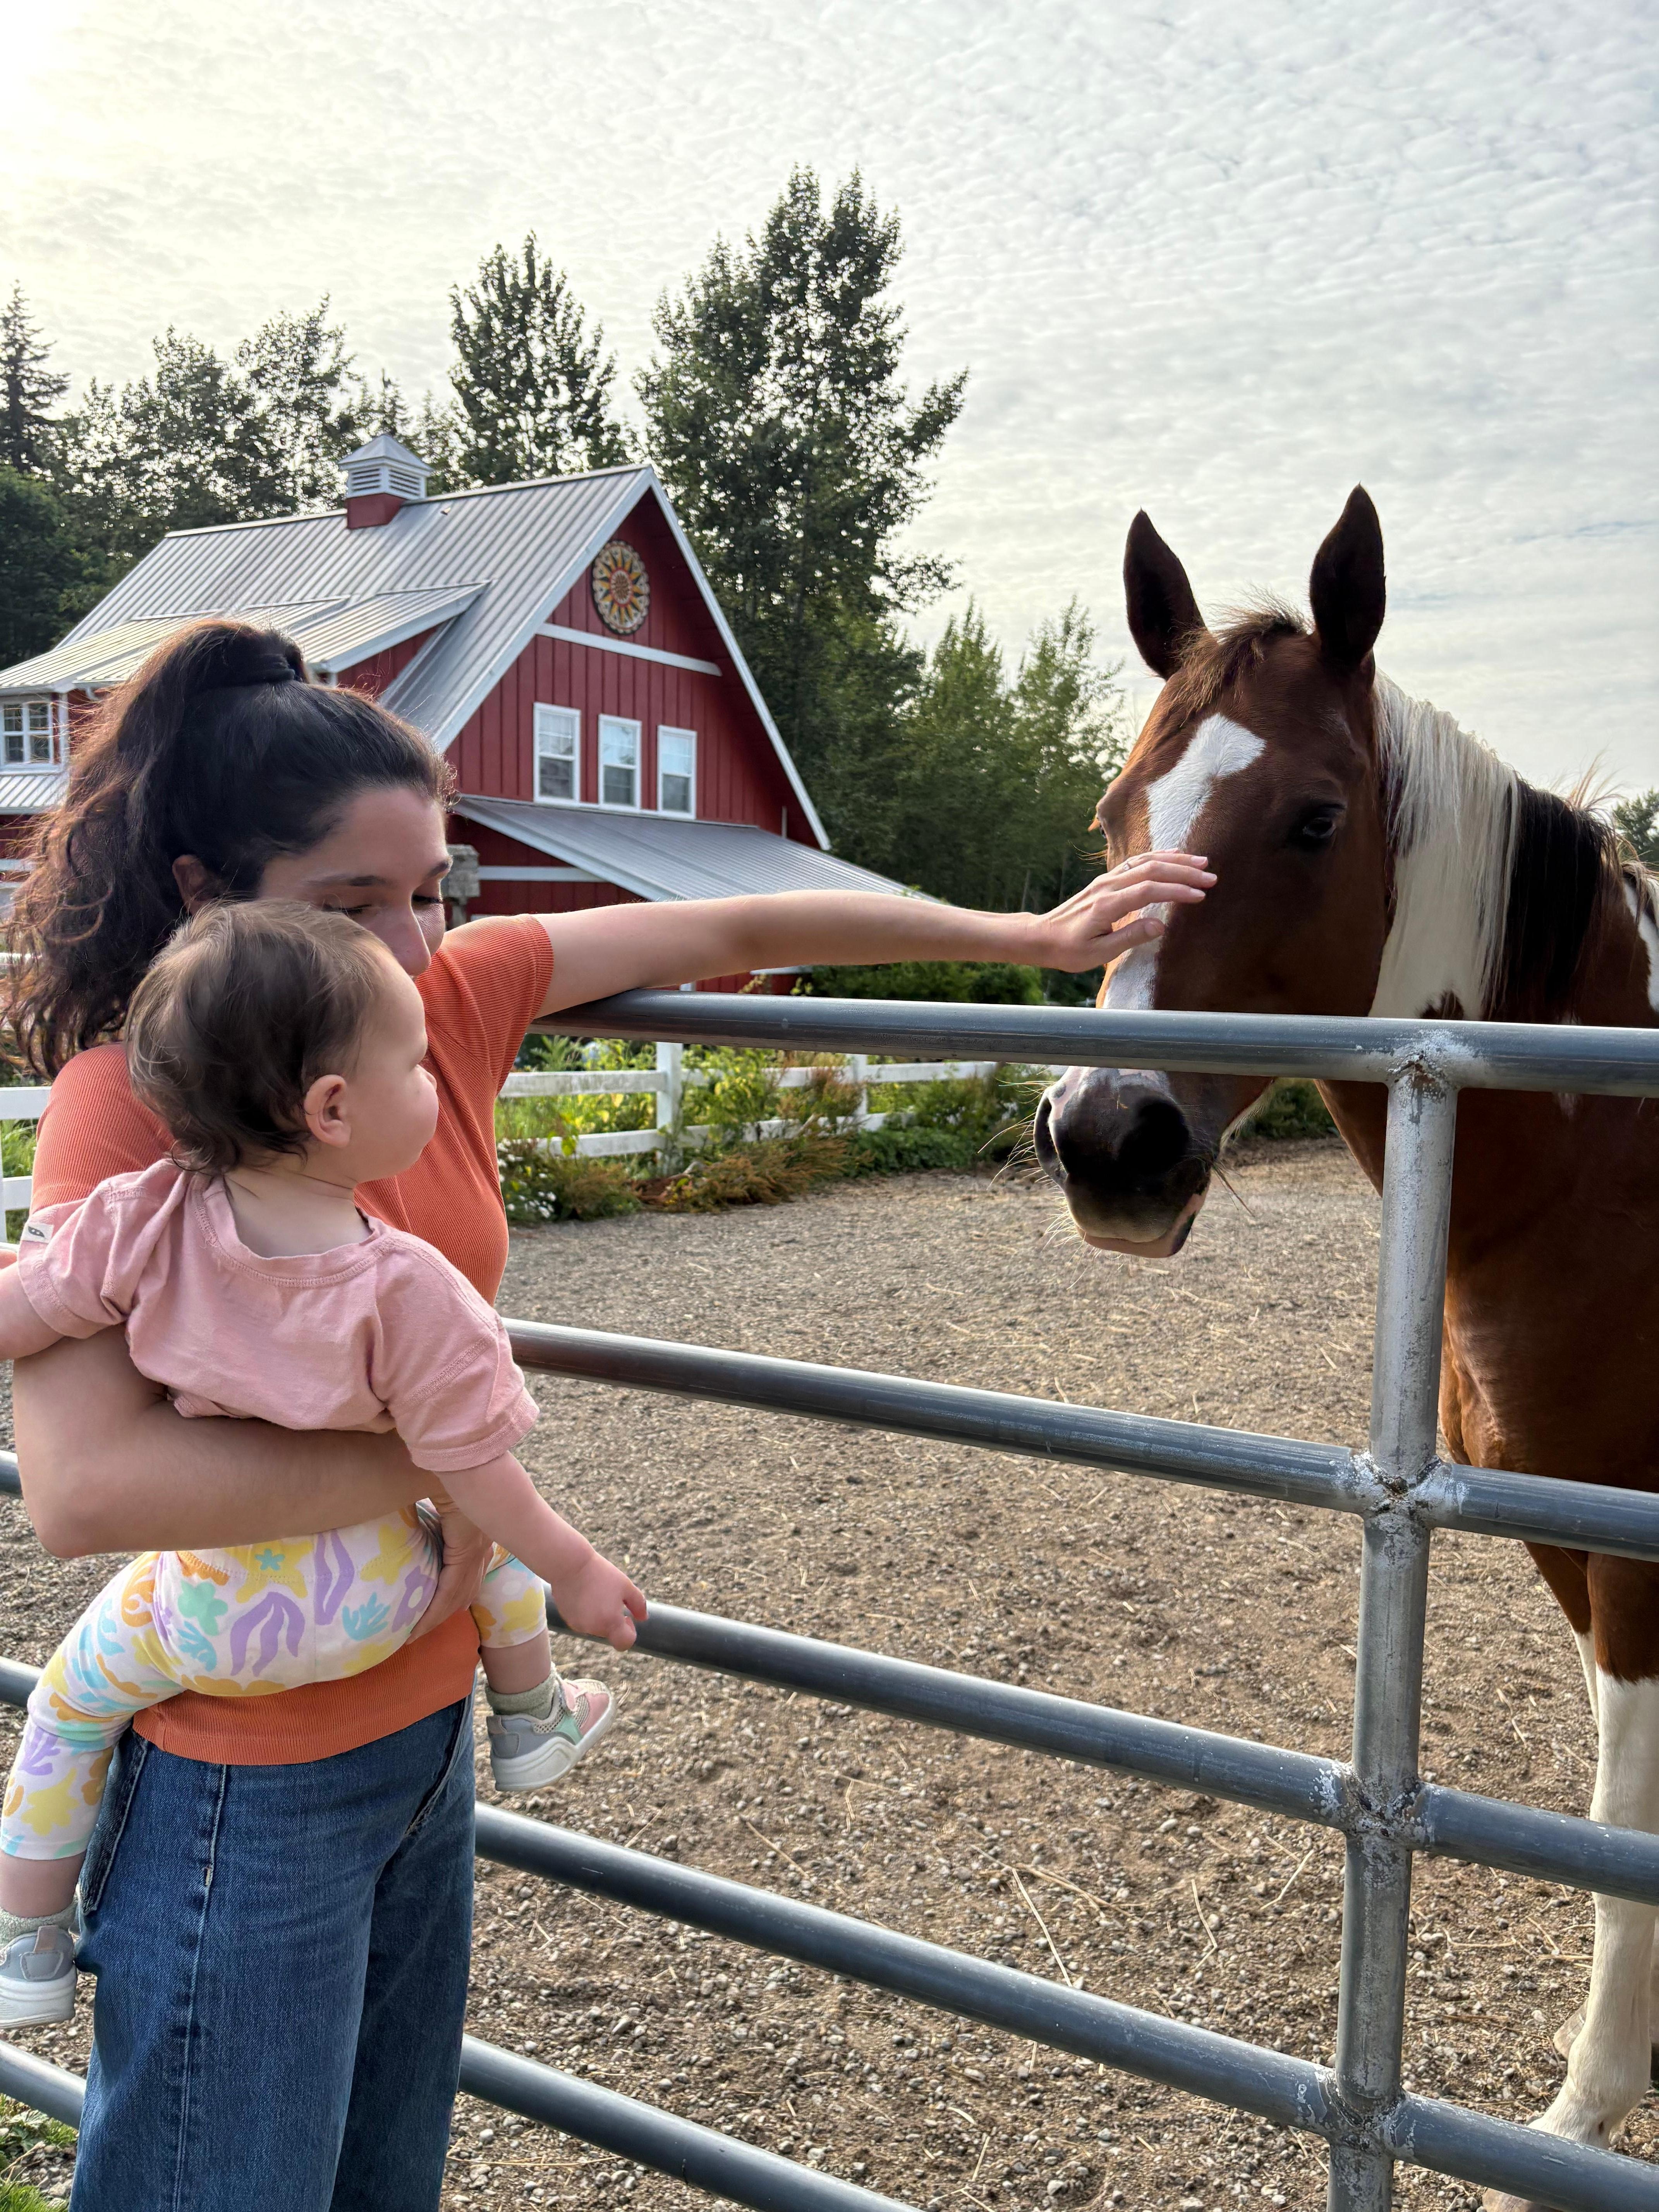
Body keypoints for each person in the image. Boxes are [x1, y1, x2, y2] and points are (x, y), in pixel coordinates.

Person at [3, 618, 1211, 2211]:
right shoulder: (133, 1102)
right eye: (353, 902)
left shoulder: (442, 1010)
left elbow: (732, 913)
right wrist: (451, 1454)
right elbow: (84, 1488)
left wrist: (1025, 938)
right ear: (200, 896)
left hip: (429, 1733)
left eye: (432, 889)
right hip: (250, 1780)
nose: (411, 942)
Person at [0, 900, 644, 2028]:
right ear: (334, 1109)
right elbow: (475, 1468)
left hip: (207, 1609)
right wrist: (581, 1569)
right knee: (483, 1545)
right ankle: (534, 1716)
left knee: (67, 1703)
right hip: (385, 1600)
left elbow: (28, 1313)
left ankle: (28, 1940)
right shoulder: (410, 1287)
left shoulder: (139, 1219)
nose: (435, 1085)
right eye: (415, 1065)